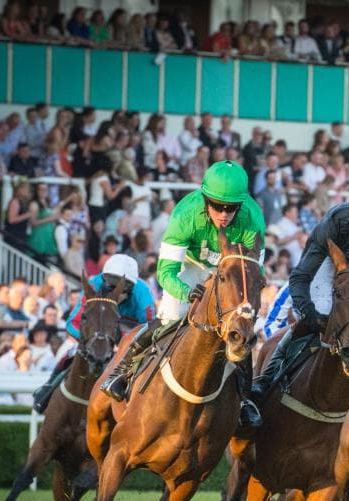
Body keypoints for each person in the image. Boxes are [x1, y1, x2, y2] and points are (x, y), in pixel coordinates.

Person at [99, 161, 266, 429]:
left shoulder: (253, 218)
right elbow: (165, 273)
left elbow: (253, 273)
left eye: (231, 207)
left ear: (241, 204)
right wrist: (188, 293)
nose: (224, 214)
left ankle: (244, 399)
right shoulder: (184, 215)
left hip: (229, 272)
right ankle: (123, 372)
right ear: (205, 199)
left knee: (240, 326)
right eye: (216, 205)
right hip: (188, 268)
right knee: (171, 317)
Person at [248, 178, 349, 415]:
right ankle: (265, 381)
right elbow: (300, 278)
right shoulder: (334, 223)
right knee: (319, 313)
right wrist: (309, 314)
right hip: (330, 262)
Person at [31, 255, 155, 413]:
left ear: (131, 286)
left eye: (121, 285)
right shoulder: (93, 285)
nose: (114, 290)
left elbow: (149, 329)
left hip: (128, 338)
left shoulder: (143, 294)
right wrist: (90, 340)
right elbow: (72, 323)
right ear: (103, 279)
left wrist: (123, 345)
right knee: (70, 352)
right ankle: (47, 389)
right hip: (96, 338)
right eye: (111, 283)